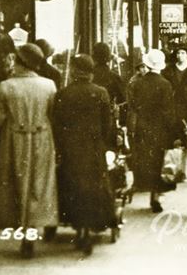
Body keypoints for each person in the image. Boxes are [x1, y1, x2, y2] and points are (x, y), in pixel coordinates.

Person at [0, 43, 58, 258]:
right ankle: (36, 228)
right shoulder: (49, 85)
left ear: (20, 63)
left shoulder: (5, 87)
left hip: (14, 140)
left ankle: (23, 231)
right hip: (42, 139)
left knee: (16, 184)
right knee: (40, 184)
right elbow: (53, 114)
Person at [53, 54, 116, 255]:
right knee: (93, 188)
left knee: (73, 188)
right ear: (91, 72)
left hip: (71, 149)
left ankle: (79, 229)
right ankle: (89, 229)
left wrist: (61, 147)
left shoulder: (64, 93)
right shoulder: (101, 93)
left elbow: (57, 124)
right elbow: (108, 125)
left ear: (73, 70)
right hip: (94, 149)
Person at [127, 49, 178, 213]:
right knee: (158, 161)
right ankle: (155, 197)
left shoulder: (138, 83)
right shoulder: (165, 84)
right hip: (159, 129)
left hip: (142, 127)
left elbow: (133, 104)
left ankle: (139, 186)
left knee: (142, 158)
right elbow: (169, 110)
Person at [90, 42, 126, 123]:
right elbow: (122, 99)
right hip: (107, 117)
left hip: (90, 119)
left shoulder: (89, 76)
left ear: (93, 57)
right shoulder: (114, 77)